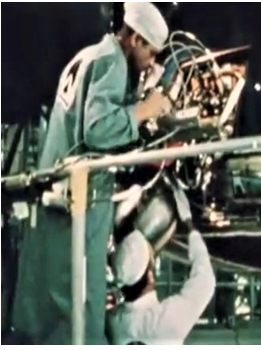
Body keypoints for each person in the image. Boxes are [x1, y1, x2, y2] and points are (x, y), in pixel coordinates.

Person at [9, 3, 173, 344]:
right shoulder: (111, 62)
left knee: (50, 290)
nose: (150, 63)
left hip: (59, 198)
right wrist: (146, 109)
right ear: (136, 39)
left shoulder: (88, 56)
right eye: (151, 53)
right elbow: (97, 130)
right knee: (80, 296)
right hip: (78, 204)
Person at [106, 227, 215, 345]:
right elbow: (206, 281)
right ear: (150, 276)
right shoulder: (164, 322)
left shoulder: (114, 322)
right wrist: (190, 227)